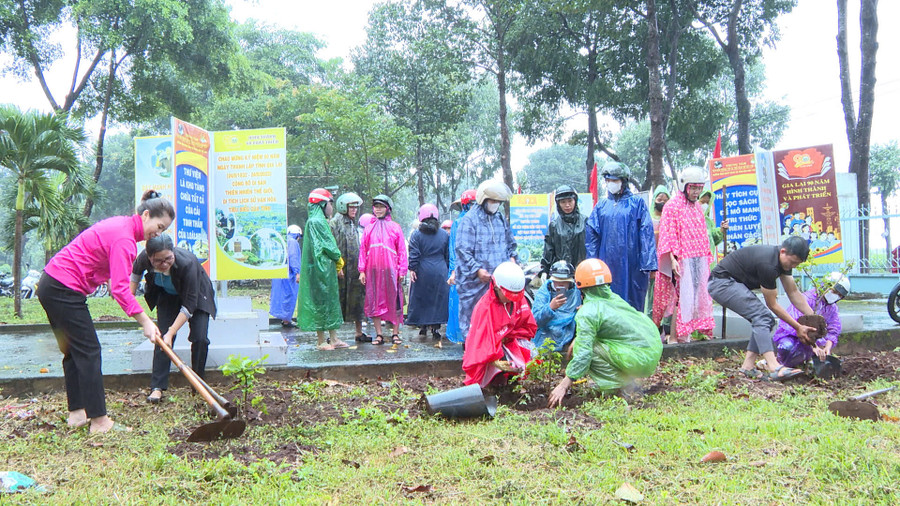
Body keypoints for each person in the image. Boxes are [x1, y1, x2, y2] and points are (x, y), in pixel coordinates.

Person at [36, 190, 173, 433]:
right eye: (159, 226)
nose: (158, 234)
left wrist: (108, 278)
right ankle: (99, 421)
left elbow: (99, 256)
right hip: (63, 289)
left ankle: (77, 414)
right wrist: (145, 322)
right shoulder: (125, 239)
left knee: (73, 351)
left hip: (51, 284)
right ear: (147, 214)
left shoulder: (121, 226)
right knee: (89, 350)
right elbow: (122, 290)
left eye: (163, 231)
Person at [548, 259, 663, 407]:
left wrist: (563, 385)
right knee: (586, 343)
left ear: (579, 285)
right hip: (651, 353)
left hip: (637, 359)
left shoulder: (588, 312)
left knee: (586, 349)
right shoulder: (614, 299)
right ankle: (627, 383)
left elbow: (584, 355)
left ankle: (618, 388)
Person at [707, 236, 818, 381]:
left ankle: (747, 367)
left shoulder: (782, 262)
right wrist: (798, 327)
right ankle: (774, 366)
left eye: (796, 264)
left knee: (765, 320)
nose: (793, 267)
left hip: (731, 283)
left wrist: (813, 319)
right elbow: (772, 305)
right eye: (792, 262)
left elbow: (793, 293)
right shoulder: (768, 265)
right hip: (721, 283)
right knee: (763, 317)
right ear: (783, 251)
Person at [131, 235, 217, 404]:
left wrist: (172, 331)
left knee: (200, 338)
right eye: (158, 261)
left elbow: (190, 304)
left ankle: (198, 384)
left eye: (168, 258)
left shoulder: (188, 263)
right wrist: (128, 298)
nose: (164, 264)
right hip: (167, 294)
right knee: (161, 339)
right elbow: (135, 276)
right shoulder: (143, 258)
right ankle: (157, 387)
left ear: (173, 252)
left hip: (197, 296)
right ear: (150, 257)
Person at [652, 167, 716, 343]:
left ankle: (685, 335)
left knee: (693, 299)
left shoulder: (696, 208)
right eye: (693, 188)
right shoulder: (672, 206)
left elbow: (703, 235)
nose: (696, 192)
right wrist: (673, 260)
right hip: (679, 261)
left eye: (698, 188)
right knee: (679, 299)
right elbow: (669, 235)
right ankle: (674, 337)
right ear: (684, 186)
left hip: (697, 261)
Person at [585, 161, 657, 312]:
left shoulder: (637, 204)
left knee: (632, 304)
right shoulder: (601, 206)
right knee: (608, 303)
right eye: (608, 180)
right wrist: (592, 263)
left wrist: (649, 264)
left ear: (623, 181)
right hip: (607, 263)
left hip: (632, 264)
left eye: (615, 180)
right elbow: (592, 237)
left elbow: (646, 234)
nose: (611, 183)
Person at [455, 180, 518, 343]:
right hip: (475, 283)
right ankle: (472, 352)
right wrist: (477, 270)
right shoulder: (469, 220)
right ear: (483, 199)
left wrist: (512, 258)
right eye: (492, 201)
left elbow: (510, 242)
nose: (495, 204)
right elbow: (462, 250)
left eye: (498, 201)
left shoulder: (500, 219)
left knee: (497, 318)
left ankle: (495, 351)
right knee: (474, 320)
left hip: (497, 282)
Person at [462, 262, 537, 387]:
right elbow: (478, 345)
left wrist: (508, 338)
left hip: (511, 342)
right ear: (496, 287)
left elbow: (528, 326)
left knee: (532, 353)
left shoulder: (518, 299)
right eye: (508, 295)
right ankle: (495, 386)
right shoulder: (485, 309)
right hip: (492, 354)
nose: (511, 299)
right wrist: (495, 361)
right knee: (493, 373)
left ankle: (515, 384)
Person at [297, 188, 348, 350]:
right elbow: (329, 245)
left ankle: (333, 338)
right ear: (321, 204)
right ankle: (321, 341)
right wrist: (338, 259)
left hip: (325, 269)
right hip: (319, 270)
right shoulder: (316, 222)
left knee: (330, 302)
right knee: (320, 303)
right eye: (330, 204)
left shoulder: (318, 221)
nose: (332, 208)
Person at [771, 273, 849, 368]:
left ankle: (806, 364)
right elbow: (796, 323)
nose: (836, 296)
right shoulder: (807, 299)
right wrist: (813, 346)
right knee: (787, 348)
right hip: (792, 336)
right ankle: (778, 363)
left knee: (816, 358)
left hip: (815, 343)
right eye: (834, 292)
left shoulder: (832, 309)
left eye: (840, 295)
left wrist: (827, 347)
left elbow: (833, 330)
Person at [359, 194, 408, 345]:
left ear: (387, 209)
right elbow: (363, 250)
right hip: (373, 272)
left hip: (391, 272)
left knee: (395, 301)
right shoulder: (369, 228)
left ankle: (395, 333)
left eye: (381, 207)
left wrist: (402, 271)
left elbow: (401, 251)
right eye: (376, 207)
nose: (378, 210)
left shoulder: (395, 227)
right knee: (374, 301)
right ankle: (379, 334)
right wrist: (361, 270)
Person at [406, 203, 450, 340]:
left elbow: (414, 254)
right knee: (438, 299)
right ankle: (436, 328)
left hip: (422, 269)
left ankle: (423, 326)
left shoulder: (416, 235)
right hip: (440, 269)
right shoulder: (444, 235)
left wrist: (412, 268)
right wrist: (447, 269)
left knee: (422, 298)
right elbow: (448, 255)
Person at [330, 192, 368, 342]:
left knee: (358, 300)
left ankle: (359, 332)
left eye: (355, 207)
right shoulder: (334, 223)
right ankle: (334, 336)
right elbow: (332, 246)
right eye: (351, 207)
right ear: (343, 207)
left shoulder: (353, 223)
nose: (354, 210)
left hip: (354, 270)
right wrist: (337, 267)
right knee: (338, 301)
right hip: (341, 270)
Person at [446, 189, 477, 344]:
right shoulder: (459, 223)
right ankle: (467, 341)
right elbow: (454, 250)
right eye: (472, 204)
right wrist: (454, 271)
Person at [532, 260, 582, 352]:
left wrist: (581, 311)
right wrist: (550, 308)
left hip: (569, 337)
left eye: (564, 282)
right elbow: (535, 321)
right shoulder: (545, 291)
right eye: (557, 281)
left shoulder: (577, 292)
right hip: (546, 337)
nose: (560, 284)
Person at [540, 185, 586, 277]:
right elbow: (549, 249)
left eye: (570, 201)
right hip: (561, 273)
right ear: (558, 204)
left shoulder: (585, 221)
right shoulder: (554, 225)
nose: (567, 205)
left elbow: (592, 247)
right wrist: (545, 270)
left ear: (575, 201)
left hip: (583, 271)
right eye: (563, 202)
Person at [645, 184, 671, 319]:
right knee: (652, 296)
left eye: (666, 200)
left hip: (668, 263)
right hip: (652, 264)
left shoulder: (671, 219)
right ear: (654, 200)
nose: (662, 202)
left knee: (668, 296)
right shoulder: (647, 219)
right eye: (659, 199)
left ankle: (667, 327)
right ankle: (651, 325)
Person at [269, 225, 302, 327]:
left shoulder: (282, 240)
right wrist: (297, 272)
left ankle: (285, 319)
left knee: (281, 296)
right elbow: (293, 257)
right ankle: (287, 320)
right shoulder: (292, 242)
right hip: (289, 275)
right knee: (289, 296)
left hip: (280, 273)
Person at [699, 189, 728, 265]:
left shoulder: (708, 222)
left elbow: (713, 239)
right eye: (702, 202)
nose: (705, 205)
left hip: (709, 264)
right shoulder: (688, 219)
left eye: (707, 203)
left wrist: (721, 230)